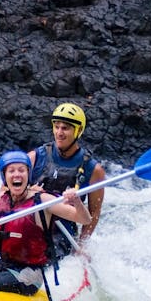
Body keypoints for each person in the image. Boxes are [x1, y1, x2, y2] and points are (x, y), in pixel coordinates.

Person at [0, 150, 92, 295]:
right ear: (4, 176)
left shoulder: (43, 201)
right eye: (11, 171)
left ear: (28, 175)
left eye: (21, 170)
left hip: (28, 275)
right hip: (3, 264)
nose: (17, 175)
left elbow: (85, 219)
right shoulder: (1, 198)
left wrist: (76, 202)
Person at [28, 102, 106, 253]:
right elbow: (7, 189)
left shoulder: (94, 169)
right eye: (56, 127)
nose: (59, 132)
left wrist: (82, 245)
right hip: (32, 227)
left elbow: (94, 212)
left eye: (65, 128)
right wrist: (29, 190)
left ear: (78, 131)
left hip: (63, 235)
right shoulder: (35, 157)